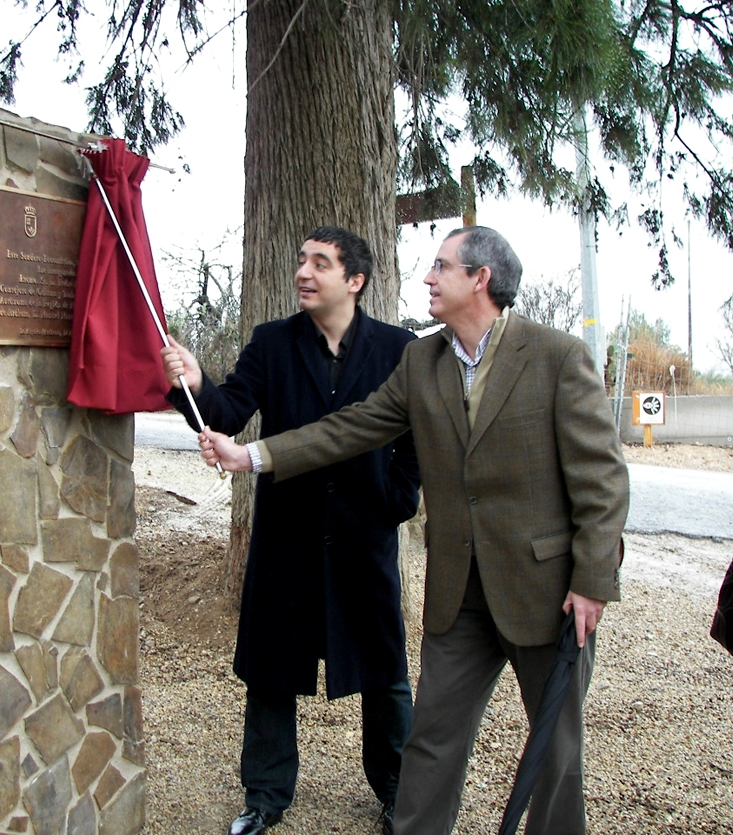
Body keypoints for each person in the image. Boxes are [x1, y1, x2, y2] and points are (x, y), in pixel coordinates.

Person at [199, 226, 630, 835]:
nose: (428, 277)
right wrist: (252, 456)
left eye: (442, 267)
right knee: (430, 740)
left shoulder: (556, 356)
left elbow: (602, 479)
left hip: (544, 591)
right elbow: (352, 427)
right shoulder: (422, 360)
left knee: (555, 748)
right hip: (459, 595)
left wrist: (591, 580)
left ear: (479, 279)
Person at [161, 225, 421, 835]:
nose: (303, 272)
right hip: (287, 536)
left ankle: (399, 792)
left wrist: (396, 499)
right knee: (271, 671)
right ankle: (265, 796)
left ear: (354, 281)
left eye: (320, 263)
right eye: (302, 260)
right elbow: (228, 412)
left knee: (384, 671)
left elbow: (415, 435)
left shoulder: (398, 348)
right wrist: (194, 384)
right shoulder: (272, 342)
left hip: (364, 535)